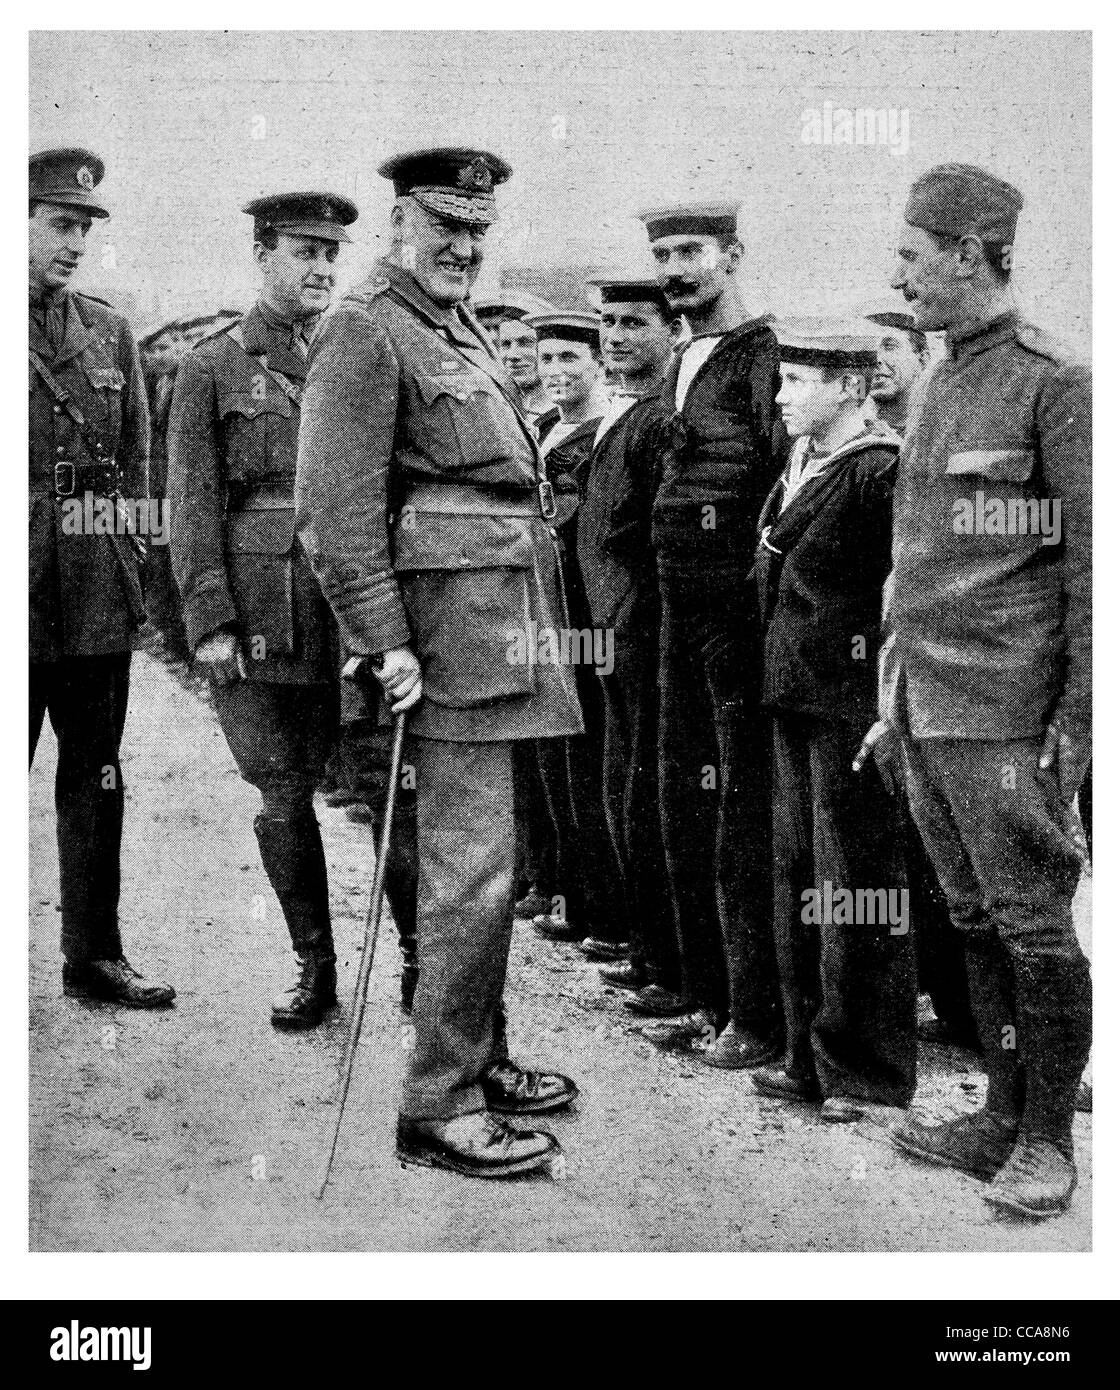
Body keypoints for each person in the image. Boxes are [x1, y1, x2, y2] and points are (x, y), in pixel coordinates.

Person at [296, 146, 583, 1180]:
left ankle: (478, 1055)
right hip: (446, 646)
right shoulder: (366, 327)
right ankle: (440, 1100)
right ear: (399, 224)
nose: (463, 246)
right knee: (469, 875)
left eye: (477, 230)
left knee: (485, 870)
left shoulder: (446, 321)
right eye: (444, 227)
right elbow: (332, 515)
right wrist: (384, 643)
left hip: (497, 629)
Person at [858, 163, 1091, 1219]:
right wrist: (890, 693)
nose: (899, 277)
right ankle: (999, 1111)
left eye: (912, 257)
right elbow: (918, 564)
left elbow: (1098, 573)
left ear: (970, 252)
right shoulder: (938, 381)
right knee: (972, 918)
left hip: (1007, 712)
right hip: (924, 706)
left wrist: (1078, 721)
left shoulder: (1058, 383)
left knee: (1032, 924)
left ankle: (1047, 1142)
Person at [168, 191, 356, 1028]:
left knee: (390, 780)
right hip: (258, 613)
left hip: (352, 609)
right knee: (281, 792)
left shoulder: (357, 352)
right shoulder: (214, 365)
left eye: (330, 254)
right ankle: (313, 966)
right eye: (303, 252)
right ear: (262, 257)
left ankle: (425, 967)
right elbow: (190, 502)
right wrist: (209, 621)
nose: (320, 268)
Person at [751, 318, 916, 1122]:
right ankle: (805, 1058)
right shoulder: (803, 463)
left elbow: (905, 598)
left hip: (850, 708)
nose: (781, 397)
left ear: (850, 387)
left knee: (856, 888)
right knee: (798, 879)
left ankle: (870, 1073)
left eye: (797, 382)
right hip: (794, 698)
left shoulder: (878, 472)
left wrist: (890, 707)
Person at [638, 200, 787, 1066]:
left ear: (733, 253)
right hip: (675, 612)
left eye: (690, 251)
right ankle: (707, 996)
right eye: (662, 254)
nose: (674, 269)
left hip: (735, 619)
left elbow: (778, 486)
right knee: (683, 800)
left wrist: (752, 605)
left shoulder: (764, 357)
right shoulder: (684, 360)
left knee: (742, 813)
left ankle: (759, 1016)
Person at [29, 147, 175, 1008]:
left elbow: (138, 464)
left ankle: (93, 953)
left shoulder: (109, 329)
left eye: (84, 227)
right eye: (59, 224)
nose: (76, 242)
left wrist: (132, 567)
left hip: (90, 590)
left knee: (96, 774)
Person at [580, 277, 683, 1010]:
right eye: (609, 324)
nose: (616, 336)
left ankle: (668, 964)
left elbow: (652, 541)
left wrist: (629, 624)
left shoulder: (657, 420)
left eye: (634, 323)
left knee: (646, 799)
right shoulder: (628, 415)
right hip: (609, 640)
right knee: (622, 795)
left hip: (641, 639)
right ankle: (648, 952)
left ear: (670, 333)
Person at [521, 311, 622, 956]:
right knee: (549, 758)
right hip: (547, 611)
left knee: (583, 760)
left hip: (584, 616)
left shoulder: (595, 438)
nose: (556, 372)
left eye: (570, 361)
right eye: (548, 359)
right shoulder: (547, 429)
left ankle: (597, 907)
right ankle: (557, 888)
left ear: (597, 365)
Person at [472, 290, 556, 421]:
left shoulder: (563, 412)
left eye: (525, 343)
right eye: (505, 344)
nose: (512, 355)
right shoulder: (494, 412)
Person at [866, 308, 929, 435]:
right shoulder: (855, 441)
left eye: (889, 347)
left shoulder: (940, 431)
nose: (875, 359)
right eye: (867, 351)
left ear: (922, 359)